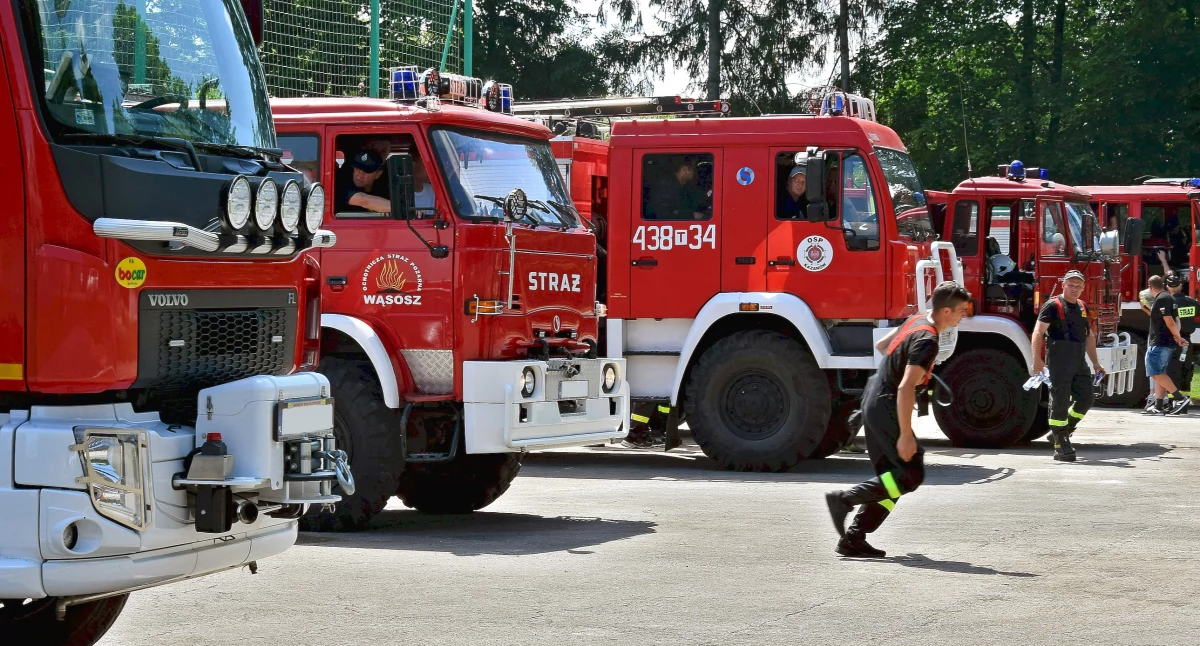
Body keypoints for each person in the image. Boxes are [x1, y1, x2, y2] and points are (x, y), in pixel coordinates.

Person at [825, 281, 972, 558]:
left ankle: (854, 537)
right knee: (909, 475)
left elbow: (882, 345)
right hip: (886, 404)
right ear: (946, 311)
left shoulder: (916, 320)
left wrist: (909, 364)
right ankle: (845, 499)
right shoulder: (928, 340)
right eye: (962, 310)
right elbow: (905, 388)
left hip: (874, 396)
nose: (964, 315)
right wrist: (905, 435)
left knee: (894, 479)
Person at [1029, 270, 1105, 462]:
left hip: (1079, 360)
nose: (1074, 289)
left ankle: (1062, 430)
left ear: (1083, 288)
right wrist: (1037, 360)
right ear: (1063, 285)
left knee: (1086, 398)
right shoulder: (1052, 305)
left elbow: (1089, 336)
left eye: (1078, 286)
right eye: (1071, 285)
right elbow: (1038, 332)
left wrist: (1096, 363)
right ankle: (1060, 443)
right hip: (1059, 360)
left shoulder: (1082, 306)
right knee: (1060, 401)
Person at [1144, 275, 1191, 415]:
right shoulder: (1170, 298)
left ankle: (1180, 398)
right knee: (1160, 372)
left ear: (1150, 287)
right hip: (1167, 342)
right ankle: (1158, 405)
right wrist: (1177, 336)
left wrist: (1178, 337)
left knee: (1155, 372)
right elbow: (1177, 320)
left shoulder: (1161, 299)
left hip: (1160, 342)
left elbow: (1169, 321)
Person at [1165, 272, 1197, 393]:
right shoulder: (1192, 302)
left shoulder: (1168, 303)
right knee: (1186, 369)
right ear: (1181, 286)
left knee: (1172, 370)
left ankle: (1174, 399)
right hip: (1187, 341)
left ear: (1168, 288)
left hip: (1173, 342)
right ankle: (1185, 399)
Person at [337, 148, 391, 213]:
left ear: (378, 174)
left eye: (366, 171)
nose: (359, 176)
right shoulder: (343, 184)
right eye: (357, 168)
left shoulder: (384, 188)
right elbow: (364, 201)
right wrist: (399, 208)